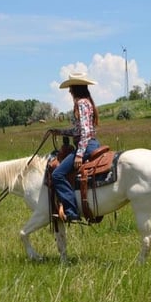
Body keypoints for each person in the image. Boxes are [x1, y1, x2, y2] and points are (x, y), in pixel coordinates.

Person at [51, 72, 101, 222]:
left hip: (86, 145)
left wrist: (79, 154)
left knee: (57, 175)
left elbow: (84, 132)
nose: (69, 91)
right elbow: (78, 130)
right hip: (91, 143)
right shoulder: (87, 101)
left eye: (71, 87)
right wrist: (59, 132)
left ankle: (72, 211)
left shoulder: (81, 103)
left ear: (76, 88)